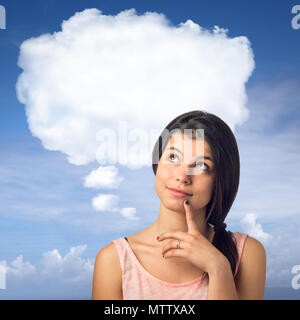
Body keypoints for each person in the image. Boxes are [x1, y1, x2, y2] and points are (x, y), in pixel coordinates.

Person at [92, 110, 266, 300]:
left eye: (201, 166)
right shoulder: (113, 260)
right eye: (173, 158)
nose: (182, 177)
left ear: (220, 180)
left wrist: (218, 268)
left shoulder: (247, 254)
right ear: (157, 162)